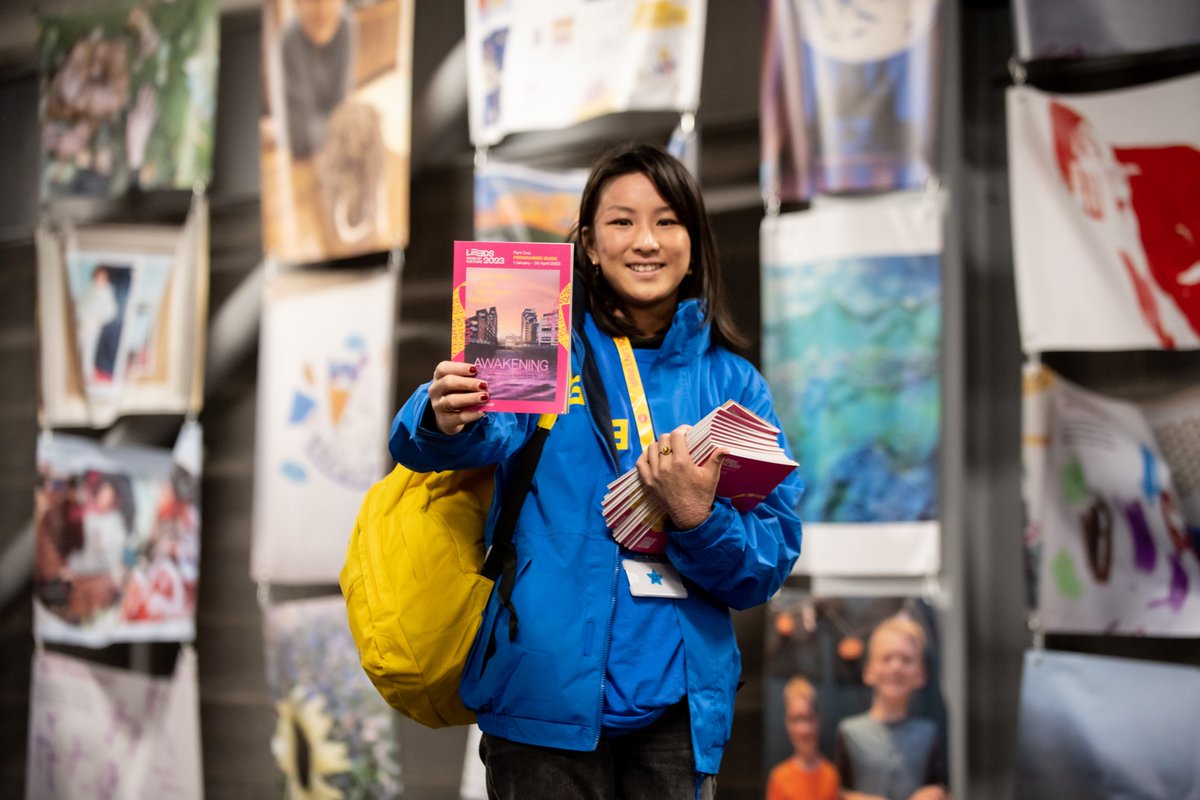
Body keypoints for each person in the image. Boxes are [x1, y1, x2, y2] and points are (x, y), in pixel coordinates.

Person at [388, 142, 804, 799]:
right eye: (621, 221)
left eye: (668, 221)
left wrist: (696, 515)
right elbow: (466, 438)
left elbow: (766, 564)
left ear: (694, 241)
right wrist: (442, 414)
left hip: (677, 707)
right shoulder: (533, 336)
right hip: (542, 694)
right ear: (587, 243)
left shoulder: (733, 385)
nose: (646, 241)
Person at [834, 615, 948, 800]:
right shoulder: (849, 732)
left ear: (921, 674)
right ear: (869, 671)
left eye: (906, 659)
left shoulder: (929, 733)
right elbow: (833, 792)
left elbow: (942, 788)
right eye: (886, 658)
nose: (896, 667)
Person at [280, 0, 356, 160]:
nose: (322, 11)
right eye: (313, 2)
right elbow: (299, 138)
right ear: (297, 3)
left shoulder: (346, 27)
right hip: (305, 159)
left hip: (336, 156)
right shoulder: (290, 38)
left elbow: (344, 108)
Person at [766, 676, 840, 800]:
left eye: (808, 718)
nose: (803, 730)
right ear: (786, 723)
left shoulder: (831, 776)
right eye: (795, 720)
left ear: (818, 719)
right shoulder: (779, 778)